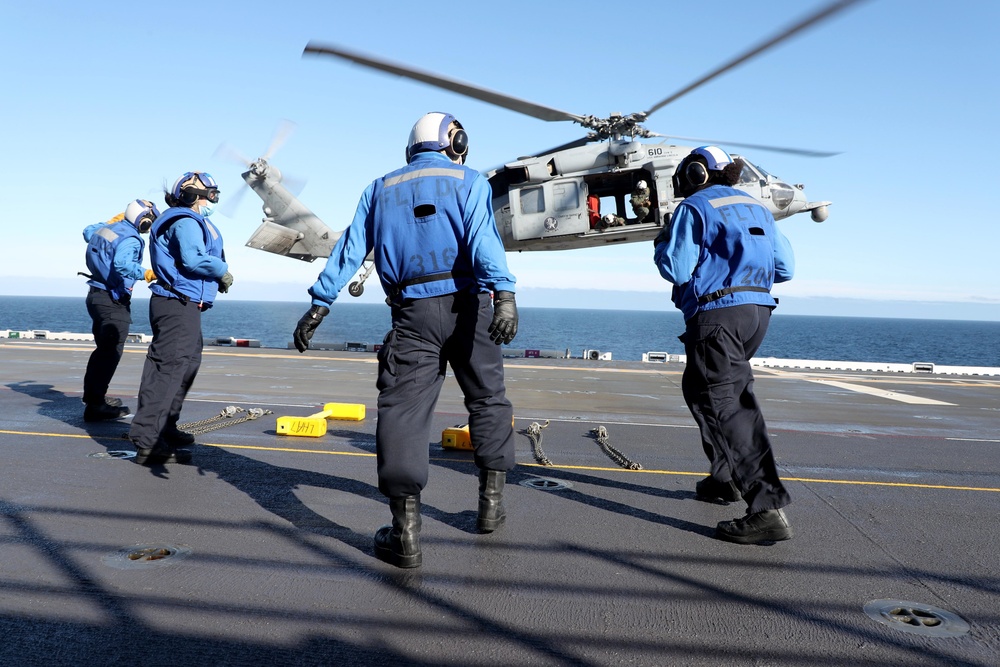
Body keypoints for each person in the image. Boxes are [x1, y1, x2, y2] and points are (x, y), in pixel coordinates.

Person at [292, 112, 519, 568]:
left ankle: (406, 535)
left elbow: (350, 247)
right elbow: (483, 241)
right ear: (454, 140)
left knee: (402, 413)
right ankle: (490, 509)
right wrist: (506, 295)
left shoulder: (380, 188)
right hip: (469, 309)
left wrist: (321, 302)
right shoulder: (470, 181)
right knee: (488, 400)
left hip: (412, 316)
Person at [653, 145, 795, 544]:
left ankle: (766, 509)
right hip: (756, 314)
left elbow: (676, 268)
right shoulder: (757, 208)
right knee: (699, 390)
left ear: (697, 173)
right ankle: (724, 479)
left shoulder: (694, 207)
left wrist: (665, 239)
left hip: (716, 316)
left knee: (729, 406)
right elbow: (786, 268)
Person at [127, 172, 233, 465]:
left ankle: (166, 427)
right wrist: (221, 270)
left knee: (185, 366)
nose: (213, 199)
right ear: (191, 195)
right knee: (169, 370)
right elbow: (193, 258)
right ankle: (148, 441)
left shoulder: (189, 219)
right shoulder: (185, 220)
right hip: (175, 303)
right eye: (209, 193)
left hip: (184, 305)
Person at [80, 200, 159, 422]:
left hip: (95, 295)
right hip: (112, 300)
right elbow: (122, 265)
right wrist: (148, 273)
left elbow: (87, 232)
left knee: (102, 351)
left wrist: (111, 222)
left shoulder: (109, 229)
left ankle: (96, 398)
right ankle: (95, 406)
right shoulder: (131, 238)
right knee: (109, 353)